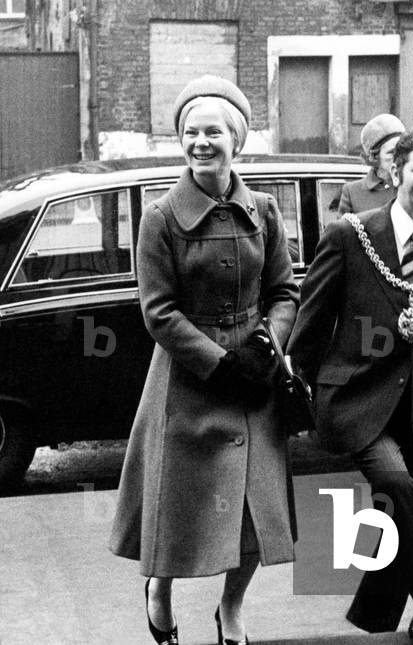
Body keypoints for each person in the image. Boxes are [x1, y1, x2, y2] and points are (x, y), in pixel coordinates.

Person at [109, 76, 299, 645]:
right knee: (177, 507)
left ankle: (231, 610)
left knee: (250, 512)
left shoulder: (263, 210)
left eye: (212, 131)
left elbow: (285, 292)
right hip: (188, 383)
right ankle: (159, 592)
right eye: (190, 133)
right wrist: (220, 363)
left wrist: (267, 345)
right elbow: (158, 312)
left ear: (235, 139)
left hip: (256, 379)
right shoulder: (160, 217)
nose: (200, 143)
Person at [289, 127, 413, 639]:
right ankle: (403, 605)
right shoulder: (350, 235)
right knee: (396, 486)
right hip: (357, 396)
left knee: (407, 509)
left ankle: (410, 607)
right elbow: (309, 327)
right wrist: (297, 401)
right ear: (395, 173)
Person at [339, 113, 404, 214]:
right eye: (391, 152)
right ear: (375, 157)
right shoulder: (353, 192)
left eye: (402, 151)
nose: (399, 157)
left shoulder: (411, 185)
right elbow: (342, 229)